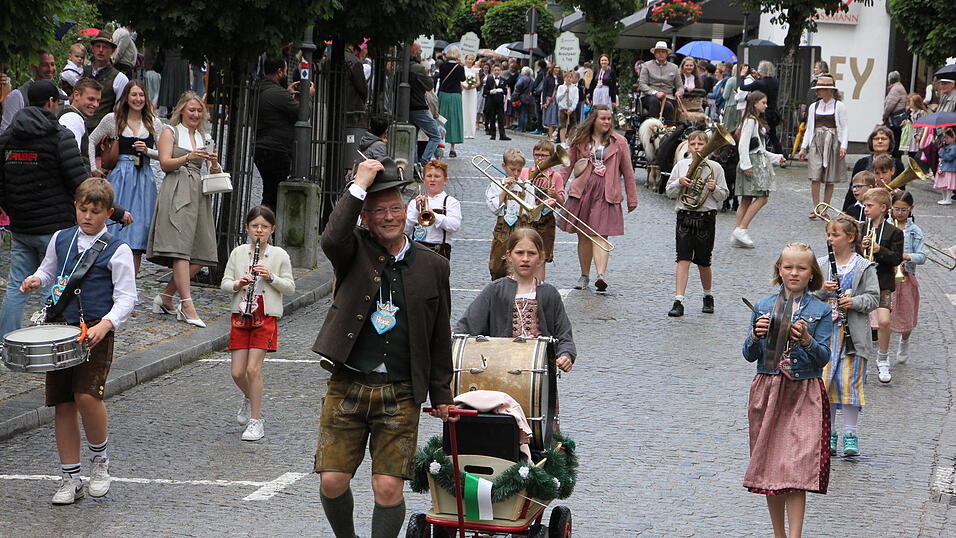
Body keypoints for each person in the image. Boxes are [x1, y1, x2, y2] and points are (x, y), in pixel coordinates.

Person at [311, 157, 454, 538]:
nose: (388, 217)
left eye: (395, 208)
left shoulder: (433, 266)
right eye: (378, 211)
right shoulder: (351, 250)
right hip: (348, 383)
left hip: (402, 389)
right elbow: (331, 237)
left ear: (406, 211)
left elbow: (441, 334)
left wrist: (441, 392)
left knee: (388, 487)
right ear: (365, 217)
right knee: (332, 481)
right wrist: (359, 184)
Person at [19, 177, 136, 505]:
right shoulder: (61, 238)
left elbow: (127, 297)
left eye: (95, 212)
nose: (87, 217)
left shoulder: (118, 249)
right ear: (75, 206)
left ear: (108, 213)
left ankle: (100, 460)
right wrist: (34, 280)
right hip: (59, 330)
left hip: (94, 331)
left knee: (87, 396)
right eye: (82, 209)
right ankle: (69, 475)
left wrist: (108, 324)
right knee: (63, 403)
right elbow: (48, 271)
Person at [0, 81, 128, 338]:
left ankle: (5, 342)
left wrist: (14, 209)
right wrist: (114, 210)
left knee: (17, 286)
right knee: (56, 284)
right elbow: (80, 183)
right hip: (55, 226)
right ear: (50, 102)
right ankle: (55, 339)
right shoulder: (59, 136)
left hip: (22, 224)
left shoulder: (7, 139)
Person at [743, 242, 832, 538]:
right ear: (779, 270)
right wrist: (756, 335)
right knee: (771, 465)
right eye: (788, 267)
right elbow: (748, 354)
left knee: (797, 466)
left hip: (804, 391)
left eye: (801, 268)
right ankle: (778, 534)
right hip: (768, 389)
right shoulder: (764, 305)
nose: (794, 272)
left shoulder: (820, 310)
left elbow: (823, 357)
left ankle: (796, 535)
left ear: (812, 275)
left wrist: (806, 340)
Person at [455, 227, 575, 375]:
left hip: (540, 373)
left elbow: (564, 334)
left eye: (531, 253)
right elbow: (465, 328)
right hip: (499, 370)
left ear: (541, 257)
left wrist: (565, 355)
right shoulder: (495, 291)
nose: (525, 258)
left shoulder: (549, 293)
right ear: (509, 255)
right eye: (519, 253)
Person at [220, 205, 295, 442]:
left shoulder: (280, 255)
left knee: (253, 369)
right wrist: (238, 284)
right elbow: (224, 283)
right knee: (237, 372)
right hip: (242, 313)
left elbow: (290, 287)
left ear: (272, 229)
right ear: (247, 228)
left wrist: (270, 276)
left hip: (266, 313)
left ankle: (256, 420)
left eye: (264, 227)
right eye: (254, 226)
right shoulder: (238, 253)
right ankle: (250, 396)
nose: (259, 231)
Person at [146, 91, 221, 328]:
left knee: (203, 251)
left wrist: (214, 162)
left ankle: (167, 296)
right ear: (182, 110)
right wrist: (188, 156)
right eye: (191, 110)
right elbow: (165, 163)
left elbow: (215, 173)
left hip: (198, 192)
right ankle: (187, 304)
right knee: (180, 250)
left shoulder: (204, 136)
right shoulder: (171, 131)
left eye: (199, 110)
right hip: (176, 189)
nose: (196, 114)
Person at [816, 217, 878, 457]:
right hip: (825, 334)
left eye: (835, 235)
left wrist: (854, 302)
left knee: (849, 383)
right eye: (828, 235)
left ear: (850, 238)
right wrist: (823, 291)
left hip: (853, 335)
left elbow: (873, 297)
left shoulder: (864, 266)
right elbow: (810, 295)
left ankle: (851, 434)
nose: (829, 239)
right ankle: (829, 433)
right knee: (826, 383)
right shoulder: (821, 264)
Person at [87, 81, 164, 272]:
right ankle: (106, 274)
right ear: (126, 97)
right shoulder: (113, 119)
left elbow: (164, 154)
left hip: (144, 178)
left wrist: (148, 151)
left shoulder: (154, 122)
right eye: (134, 95)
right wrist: (92, 169)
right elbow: (91, 140)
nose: (138, 99)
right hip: (120, 177)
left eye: (141, 95)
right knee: (113, 225)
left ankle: (131, 280)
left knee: (138, 232)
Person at [558, 105, 637, 291]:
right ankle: (584, 276)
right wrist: (557, 189)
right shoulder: (580, 139)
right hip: (583, 191)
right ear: (593, 119)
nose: (607, 122)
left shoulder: (619, 142)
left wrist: (632, 198)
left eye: (609, 118)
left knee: (601, 234)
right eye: (603, 118)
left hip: (607, 193)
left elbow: (628, 172)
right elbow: (566, 166)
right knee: (584, 236)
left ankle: (601, 275)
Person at [665, 130, 729, 317]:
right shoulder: (681, 166)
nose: (696, 148)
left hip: (706, 217)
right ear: (688, 146)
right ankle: (678, 300)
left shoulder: (715, 168)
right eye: (693, 144)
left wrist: (714, 188)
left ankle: (707, 296)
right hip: (684, 216)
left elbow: (723, 196)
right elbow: (669, 192)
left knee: (704, 262)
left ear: (708, 146)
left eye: (700, 144)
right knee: (682, 259)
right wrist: (679, 183)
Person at [859, 188, 904, 384]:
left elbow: (896, 258)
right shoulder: (860, 228)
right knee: (860, 322)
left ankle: (883, 358)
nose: (866, 209)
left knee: (884, 321)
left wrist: (878, 249)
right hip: (861, 281)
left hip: (882, 281)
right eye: (865, 205)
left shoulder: (894, 232)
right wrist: (862, 246)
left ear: (883, 208)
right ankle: (860, 359)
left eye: (870, 206)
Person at [733, 91, 785, 249]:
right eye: (763, 102)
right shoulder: (750, 121)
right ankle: (742, 229)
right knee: (762, 197)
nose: (766, 105)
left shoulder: (753, 120)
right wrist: (746, 164)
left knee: (747, 199)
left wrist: (776, 157)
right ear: (754, 103)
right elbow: (743, 144)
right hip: (752, 162)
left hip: (754, 159)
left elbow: (759, 147)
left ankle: (738, 233)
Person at [797, 75, 847, 219]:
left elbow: (844, 127)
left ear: (827, 90)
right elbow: (809, 128)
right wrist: (803, 147)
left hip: (832, 142)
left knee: (829, 178)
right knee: (815, 176)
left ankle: (825, 208)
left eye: (819, 89)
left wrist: (843, 145)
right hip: (816, 142)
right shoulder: (814, 106)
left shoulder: (839, 106)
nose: (817, 92)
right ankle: (816, 207)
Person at [254, 56, 300, 211]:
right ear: (280, 71)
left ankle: (265, 228)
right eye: (285, 70)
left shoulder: (262, 89)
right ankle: (265, 228)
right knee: (272, 196)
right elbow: (302, 113)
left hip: (263, 147)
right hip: (276, 149)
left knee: (270, 193)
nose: (286, 74)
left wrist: (286, 94)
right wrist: (308, 98)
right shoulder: (276, 93)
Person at [888, 191, 926, 365]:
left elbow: (923, 256)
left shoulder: (915, 231)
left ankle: (904, 340)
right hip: (887, 276)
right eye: (896, 209)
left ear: (911, 209)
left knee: (907, 314)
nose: (900, 213)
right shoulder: (886, 225)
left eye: (904, 210)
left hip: (906, 276)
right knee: (884, 315)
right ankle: (884, 350)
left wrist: (907, 256)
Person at [486, 149, 537, 279]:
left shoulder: (527, 186)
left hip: (522, 228)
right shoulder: (496, 185)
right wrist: (505, 189)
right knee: (498, 267)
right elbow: (494, 208)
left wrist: (542, 206)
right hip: (502, 230)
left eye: (519, 170)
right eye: (512, 169)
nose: (515, 173)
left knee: (520, 267)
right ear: (504, 166)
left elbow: (533, 213)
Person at [522, 140, 566, 280]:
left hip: (545, 219)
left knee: (541, 257)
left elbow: (561, 203)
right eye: (537, 155)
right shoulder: (525, 172)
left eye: (544, 155)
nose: (539, 158)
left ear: (551, 156)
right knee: (524, 254)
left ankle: (539, 287)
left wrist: (554, 196)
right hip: (526, 218)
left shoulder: (555, 176)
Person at [405, 160, 461, 260]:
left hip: (439, 251)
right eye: (429, 176)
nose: (432, 179)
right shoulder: (415, 202)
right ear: (424, 180)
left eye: (437, 176)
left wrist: (433, 215)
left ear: (445, 180)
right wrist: (416, 211)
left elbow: (454, 226)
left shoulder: (451, 202)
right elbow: (405, 230)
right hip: (416, 249)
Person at [843, 127, 903, 211]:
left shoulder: (897, 164)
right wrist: (846, 211)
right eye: (876, 139)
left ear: (890, 142)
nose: (880, 141)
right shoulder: (861, 163)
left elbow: (902, 191)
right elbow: (852, 189)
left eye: (884, 139)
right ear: (871, 142)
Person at [0, 51, 59, 133]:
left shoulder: (62, 94)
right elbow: (5, 132)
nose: (50, 69)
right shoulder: (18, 96)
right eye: (44, 65)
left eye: (52, 64)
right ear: (34, 67)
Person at [82, 32, 129, 133]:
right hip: (80, 124)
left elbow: (120, 111)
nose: (101, 50)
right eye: (98, 46)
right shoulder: (82, 71)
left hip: (102, 131)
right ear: (93, 48)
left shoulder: (120, 78)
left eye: (105, 47)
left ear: (112, 50)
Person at [58, 78, 102, 171]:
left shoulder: (73, 116)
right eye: (91, 99)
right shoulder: (72, 119)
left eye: (98, 100)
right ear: (76, 95)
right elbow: (72, 159)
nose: (95, 104)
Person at [408, 43, 442, 164]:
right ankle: (423, 162)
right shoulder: (418, 68)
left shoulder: (401, 66)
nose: (421, 53)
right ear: (414, 52)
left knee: (412, 138)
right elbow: (429, 85)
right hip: (418, 106)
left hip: (406, 108)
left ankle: (414, 164)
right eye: (420, 50)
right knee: (436, 136)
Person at [741, 61, 783, 154]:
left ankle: (761, 152)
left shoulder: (759, 83)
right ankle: (781, 155)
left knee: (759, 134)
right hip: (773, 112)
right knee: (773, 136)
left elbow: (743, 87)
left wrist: (743, 76)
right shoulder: (775, 82)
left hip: (762, 112)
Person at [639, 42, 682, 121]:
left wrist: (679, 92)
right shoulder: (646, 65)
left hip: (668, 96)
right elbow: (642, 84)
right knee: (654, 101)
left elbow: (680, 86)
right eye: (658, 52)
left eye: (663, 52)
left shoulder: (674, 67)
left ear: (666, 54)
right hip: (648, 96)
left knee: (668, 107)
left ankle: (668, 129)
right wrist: (655, 93)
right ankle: (652, 126)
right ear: (655, 54)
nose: (661, 54)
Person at [437, 46, 465, 157]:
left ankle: (440, 145)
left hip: (444, 94)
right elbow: (463, 79)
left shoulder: (442, 66)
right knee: (454, 120)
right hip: (455, 95)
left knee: (441, 120)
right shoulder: (459, 68)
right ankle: (452, 148)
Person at [482, 64, 510, 141]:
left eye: (498, 70)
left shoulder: (503, 80)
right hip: (491, 101)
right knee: (492, 118)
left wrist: (502, 91)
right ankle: (493, 134)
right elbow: (485, 91)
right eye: (495, 70)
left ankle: (502, 134)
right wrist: (491, 91)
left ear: (500, 71)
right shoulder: (489, 79)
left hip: (500, 102)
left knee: (501, 118)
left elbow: (505, 91)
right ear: (492, 71)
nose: (497, 72)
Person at [883, 70, 908, 157]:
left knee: (893, 141)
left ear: (890, 80)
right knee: (896, 141)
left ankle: (894, 160)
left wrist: (884, 116)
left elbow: (889, 105)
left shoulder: (895, 89)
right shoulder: (900, 88)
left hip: (894, 120)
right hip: (898, 120)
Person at [934, 127, 956, 205]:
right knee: (942, 184)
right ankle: (944, 198)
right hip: (943, 168)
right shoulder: (945, 147)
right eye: (945, 138)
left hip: (949, 169)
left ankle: (948, 199)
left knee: (948, 185)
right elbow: (940, 154)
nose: (945, 140)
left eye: (947, 138)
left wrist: (943, 152)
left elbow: (949, 157)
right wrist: (942, 148)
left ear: (953, 138)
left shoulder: (954, 147)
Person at [556, 71, 579, 144]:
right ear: (564, 78)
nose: (569, 79)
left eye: (570, 77)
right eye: (567, 77)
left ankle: (570, 141)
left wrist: (572, 108)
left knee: (573, 126)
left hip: (571, 109)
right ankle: (562, 141)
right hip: (563, 109)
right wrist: (564, 92)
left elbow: (576, 99)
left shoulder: (575, 88)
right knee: (562, 126)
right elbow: (558, 98)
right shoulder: (560, 87)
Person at [541, 64, 562, 141]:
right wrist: (543, 102)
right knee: (550, 117)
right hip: (549, 99)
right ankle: (550, 135)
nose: (557, 69)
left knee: (556, 117)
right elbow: (544, 90)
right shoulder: (547, 78)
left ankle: (553, 134)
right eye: (556, 68)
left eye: (558, 68)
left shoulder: (560, 78)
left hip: (557, 100)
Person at [461, 54, 480, 139]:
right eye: (469, 59)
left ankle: (471, 132)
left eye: (472, 59)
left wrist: (473, 86)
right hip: (464, 90)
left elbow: (478, 81)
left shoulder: (475, 70)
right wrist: (464, 86)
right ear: (465, 60)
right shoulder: (462, 69)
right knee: (464, 109)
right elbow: (459, 80)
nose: (470, 61)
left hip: (472, 91)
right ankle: (464, 131)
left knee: (472, 109)